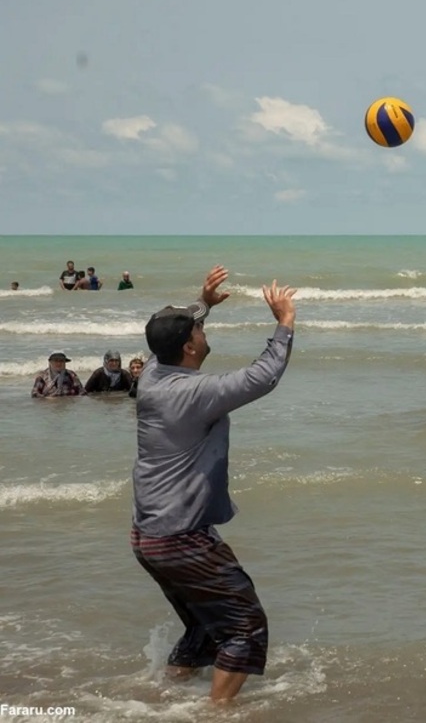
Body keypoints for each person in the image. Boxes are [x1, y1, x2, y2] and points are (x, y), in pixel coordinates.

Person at [130, 265, 296, 702]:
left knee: (205, 626)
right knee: (245, 627)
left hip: (148, 535)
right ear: (188, 347)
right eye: (198, 330)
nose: (203, 334)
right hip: (181, 537)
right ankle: (216, 712)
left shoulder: (152, 376)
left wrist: (202, 302)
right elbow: (263, 376)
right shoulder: (195, 393)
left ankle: (161, 696)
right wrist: (284, 323)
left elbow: (168, 333)